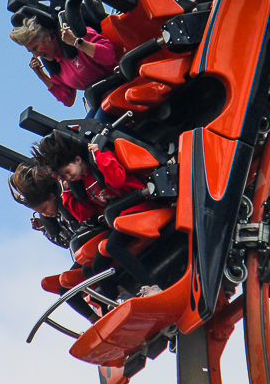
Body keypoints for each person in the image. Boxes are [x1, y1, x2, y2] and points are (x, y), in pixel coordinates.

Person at [34, 132, 161, 298]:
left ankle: (151, 286)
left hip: (139, 206)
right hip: (120, 219)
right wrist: (66, 189)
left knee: (112, 246)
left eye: (67, 171)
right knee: (95, 266)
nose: (68, 176)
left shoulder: (99, 160)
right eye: (64, 176)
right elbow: (82, 214)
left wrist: (98, 157)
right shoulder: (80, 183)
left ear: (78, 160)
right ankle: (117, 299)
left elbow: (118, 180)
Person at [9, 164, 98, 323]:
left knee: (79, 273)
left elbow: (88, 221)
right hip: (86, 254)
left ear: (52, 197)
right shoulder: (56, 217)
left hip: (97, 241)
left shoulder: (68, 203)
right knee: (65, 290)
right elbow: (67, 242)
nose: (45, 213)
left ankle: (116, 296)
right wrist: (46, 229)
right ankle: (96, 320)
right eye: (41, 212)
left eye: (44, 208)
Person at [9, 16, 118, 110]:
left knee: (102, 123)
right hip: (100, 99)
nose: (35, 54)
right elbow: (68, 99)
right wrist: (42, 75)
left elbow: (109, 57)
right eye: (31, 51)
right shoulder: (55, 66)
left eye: (35, 48)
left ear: (47, 37)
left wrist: (77, 42)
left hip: (120, 82)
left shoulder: (78, 35)